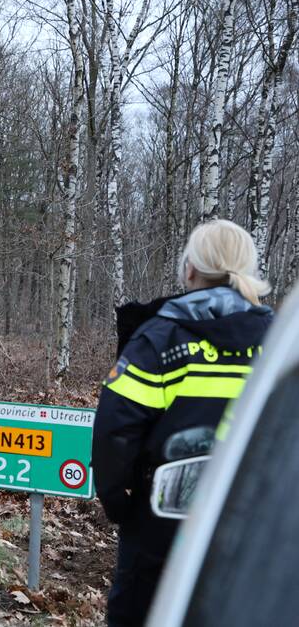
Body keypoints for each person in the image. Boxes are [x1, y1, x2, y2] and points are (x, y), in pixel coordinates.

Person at [92, 219, 274, 627]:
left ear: (189, 269)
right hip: (252, 520)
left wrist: (119, 501)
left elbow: (115, 429)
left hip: (162, 519)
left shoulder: (161, 337)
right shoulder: (279, 342)